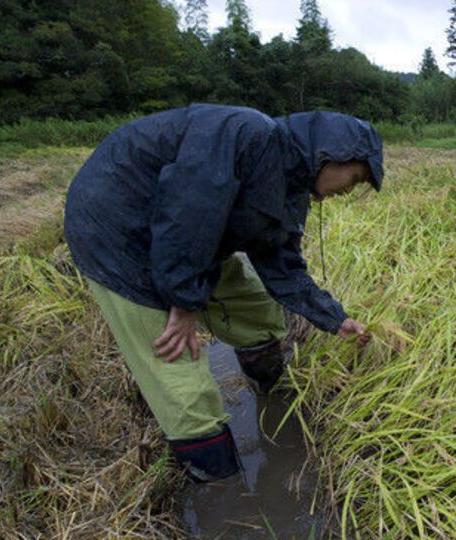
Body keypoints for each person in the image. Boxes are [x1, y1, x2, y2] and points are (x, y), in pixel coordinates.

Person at [62, 103, 383, 482]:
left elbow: (281, 264)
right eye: (355, 176)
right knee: (177, 367)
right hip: (120, 233)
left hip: (190, 242)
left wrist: (334, 318)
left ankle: (269, 392)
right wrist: (183, 304)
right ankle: (222, 487)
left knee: (258, 313)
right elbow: (188, 213)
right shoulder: (245, 134)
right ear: (330, 154)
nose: (348, 190)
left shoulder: (293, 186)